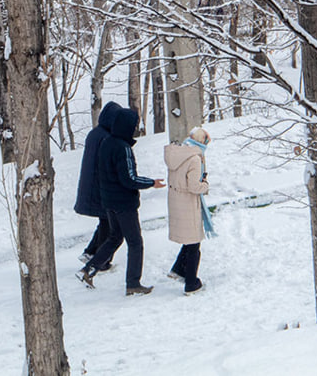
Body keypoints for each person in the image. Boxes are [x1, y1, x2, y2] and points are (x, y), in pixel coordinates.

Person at [78, 107, 165, 295]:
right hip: (123, 203)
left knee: (115, 237)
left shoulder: (107, 143)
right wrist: (152, 183)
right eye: (134, 125)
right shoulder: (122, 148)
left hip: (109, 202)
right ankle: (133, 283)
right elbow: (129, 179)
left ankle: (88, 269)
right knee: (135, 243)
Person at [164, 127, 213, 295]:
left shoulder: (178, 153)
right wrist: (205, 185)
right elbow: (193, 186)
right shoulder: (194, 159)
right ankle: (191, 283)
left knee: (189, 240)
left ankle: (178, 269)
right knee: (194, 244)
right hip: (188, 203)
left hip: (176, 201)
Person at [74, 101, 121, 269]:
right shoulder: (106, 137)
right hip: (101, 188)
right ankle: (101, 261)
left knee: (105, 222)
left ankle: (91, 252)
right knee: (109, 224)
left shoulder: (95, 134)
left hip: (92, 186)